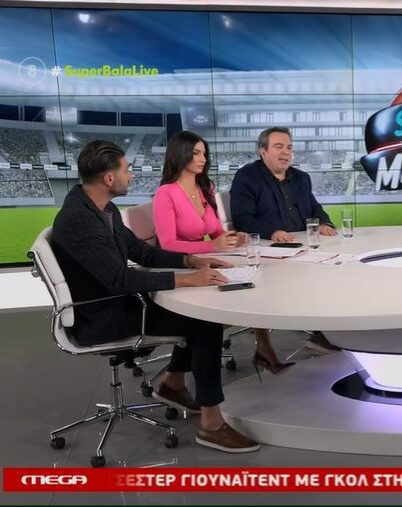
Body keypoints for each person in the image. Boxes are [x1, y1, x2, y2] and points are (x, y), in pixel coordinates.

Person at [51, 139, 259, 453]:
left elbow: (143, 253)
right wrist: (187, 280)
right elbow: (119, 279)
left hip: (117, 302)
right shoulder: (80, 219)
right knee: (205, 323)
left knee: (197, 315)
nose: (131, 175)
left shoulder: (101, 208)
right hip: (99, 316)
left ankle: (173, 384)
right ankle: (212, 425)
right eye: (127, 170)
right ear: (109, 178)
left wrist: (190, 261)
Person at [152, 130, 294, 375]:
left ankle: (264, 348)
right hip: (179, 265)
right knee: (223, 306)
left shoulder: (204, 187)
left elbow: (215, 231)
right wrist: (213, 246)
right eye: (196, 153)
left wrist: (232, 238)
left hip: (204, 261)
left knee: (256, 280)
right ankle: (174, 379)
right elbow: (167, 245)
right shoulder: (166, 193)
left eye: (204, 153)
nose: (203, 158)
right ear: (180, 154)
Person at [231, 126, 338, 352]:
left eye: (289, 147)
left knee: (335, 273)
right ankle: (312, 332)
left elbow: (315, 209)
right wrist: (272, 231)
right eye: (278, 146)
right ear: (263, 151)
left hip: (305, 247)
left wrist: (324, 223)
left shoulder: (301, 178)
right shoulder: (247, 177)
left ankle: (326, 331)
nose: (285, 152)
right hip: (272, 251)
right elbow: (242, 219)